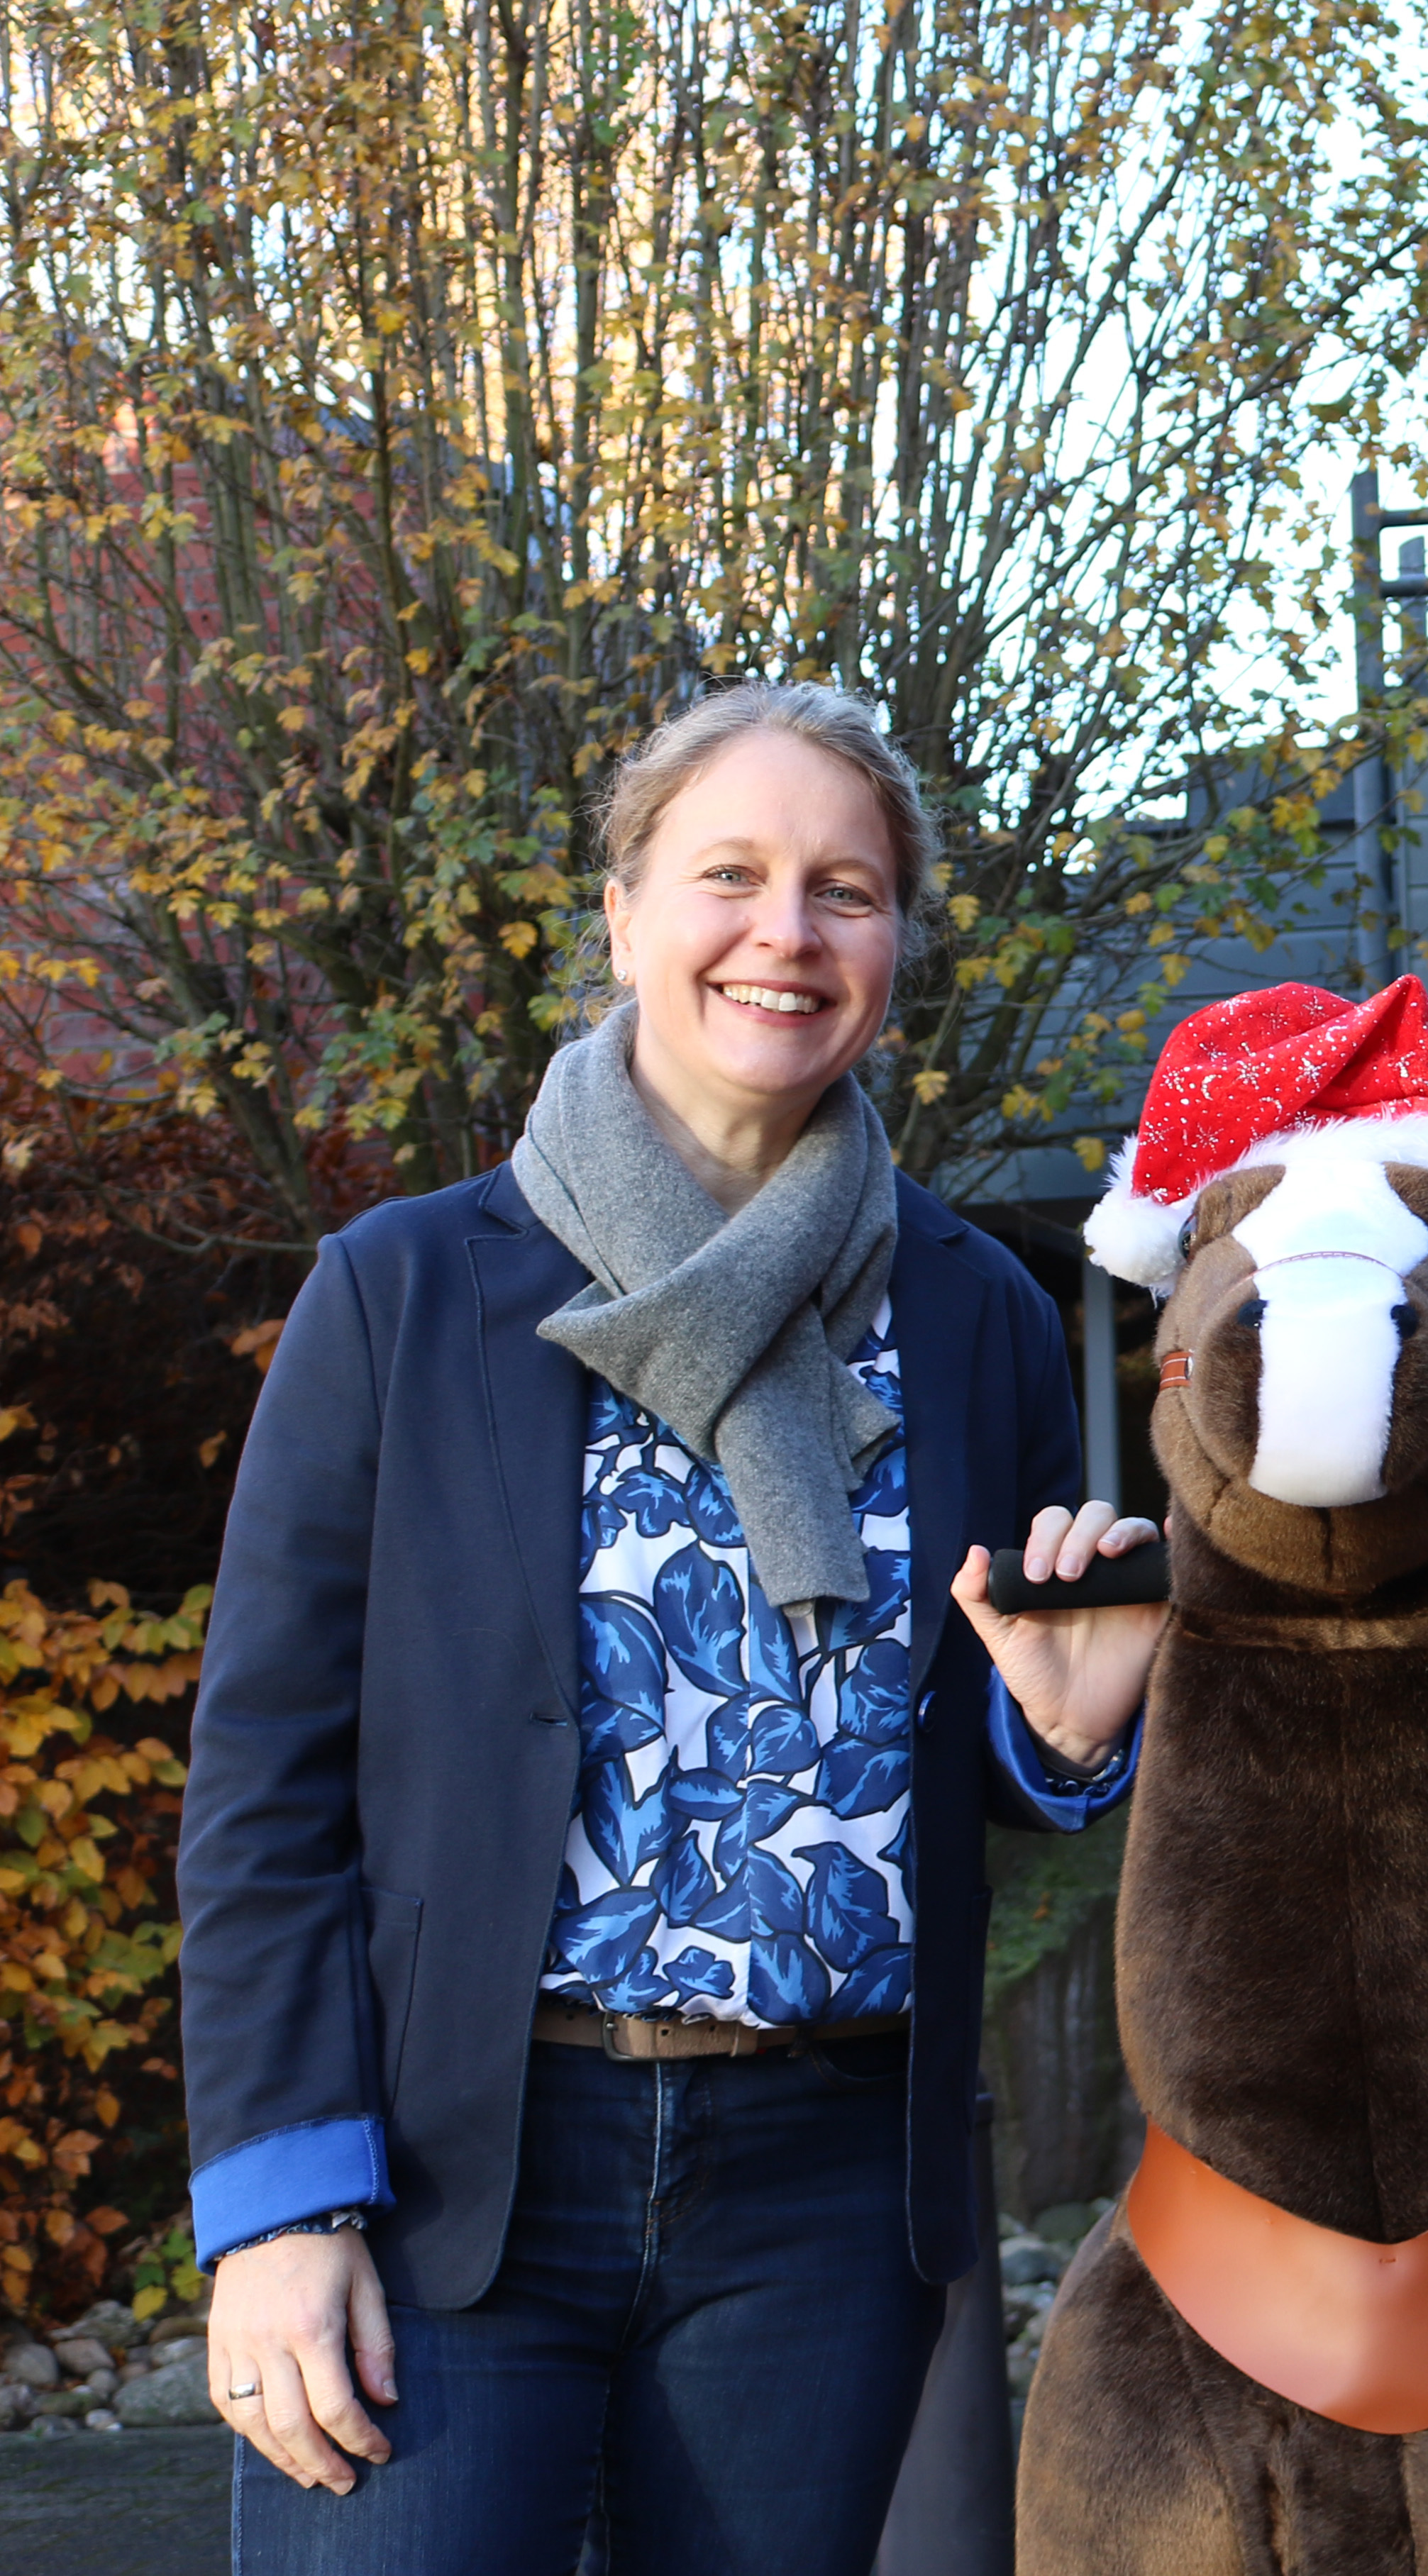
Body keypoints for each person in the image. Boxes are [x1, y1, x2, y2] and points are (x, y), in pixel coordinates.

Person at [179, 682, 1166, 2571]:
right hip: (451, 2170)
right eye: (731, 875)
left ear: (895, 948)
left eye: (845, 890)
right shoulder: (405, 1290)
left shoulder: (975, 1312)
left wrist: (1059, 1736)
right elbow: (262, 1787)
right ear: (625, 915)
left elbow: (983, 1748)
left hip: (821, 2194)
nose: (786, 931)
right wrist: (283, 2211)